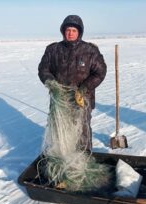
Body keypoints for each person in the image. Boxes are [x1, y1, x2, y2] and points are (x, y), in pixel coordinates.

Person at [38, 15, 107, 151]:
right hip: (59, 100)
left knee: (82, 131)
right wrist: (51, 83)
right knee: (59, 130)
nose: (70, 33)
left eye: (74, 30)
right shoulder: (53, 50)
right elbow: (43, 69)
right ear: (63, 31)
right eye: (68, 30)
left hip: (81, 99)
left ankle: (84, 160)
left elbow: (100, 72)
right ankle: (63, 157)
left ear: (79, 32)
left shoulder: (90, 51)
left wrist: (85, 88)